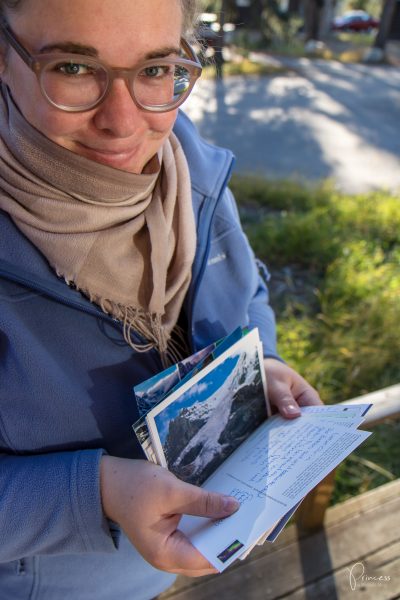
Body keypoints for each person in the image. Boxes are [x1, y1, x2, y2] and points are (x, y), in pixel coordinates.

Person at [0, 1, 322, 599]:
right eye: (73, 67)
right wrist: (93, 494)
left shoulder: (187, 161)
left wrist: (265, 361)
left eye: (156, 69)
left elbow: (243, 284)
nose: (125, 124)